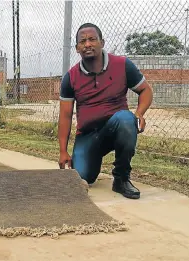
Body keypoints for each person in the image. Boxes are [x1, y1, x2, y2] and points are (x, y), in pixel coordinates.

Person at [58, 23, 153, 199]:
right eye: (82, 41)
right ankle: (90, 160)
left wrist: (139, 113)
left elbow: (146, 90)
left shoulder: (122, 65)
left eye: (92, 39)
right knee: (82, 177)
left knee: (126, 119)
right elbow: (65, 116)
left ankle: (121, 178)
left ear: (102, 42)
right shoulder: (70, 77)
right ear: (77, 48)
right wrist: (63, 151)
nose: (87, 44)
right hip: (87, 135)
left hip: (115, 127)